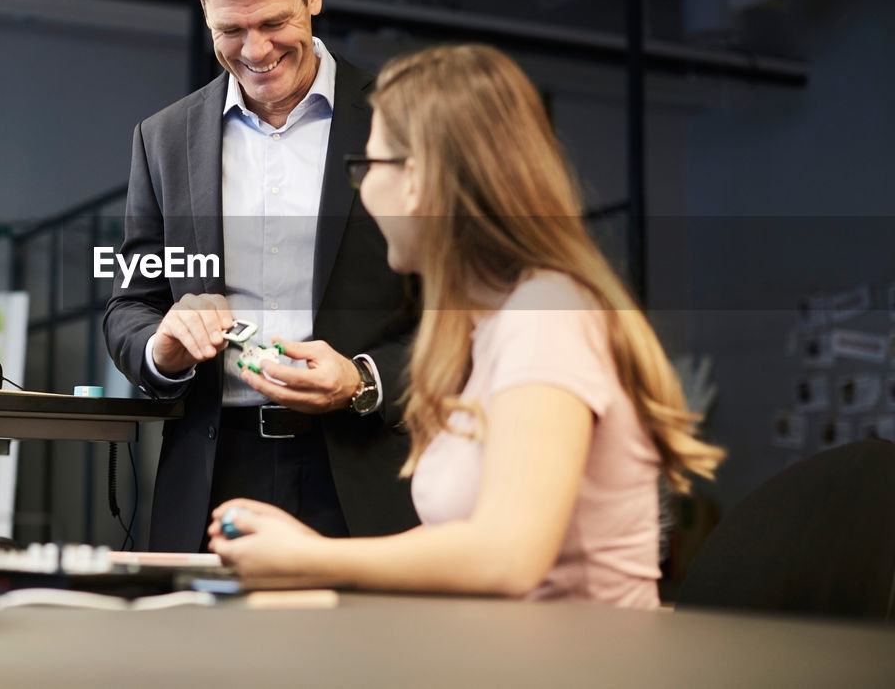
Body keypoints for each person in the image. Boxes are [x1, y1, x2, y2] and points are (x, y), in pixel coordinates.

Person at [208, 44, 725, 608]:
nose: (364, 190)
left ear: (417, 180)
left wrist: (311, 560)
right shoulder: (484, 327)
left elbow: (507, 557)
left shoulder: (545, 316)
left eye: (368, 167)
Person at [103, 0, 421, 553]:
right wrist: (162, 346)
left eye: (274, 21)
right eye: (230, 29)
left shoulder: (405, 118)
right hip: (214, 472)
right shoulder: (163, 139)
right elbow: (131, 304)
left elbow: (457, 314)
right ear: (204, 13)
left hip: (367, 469)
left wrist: (363, 378)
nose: (255, 50)